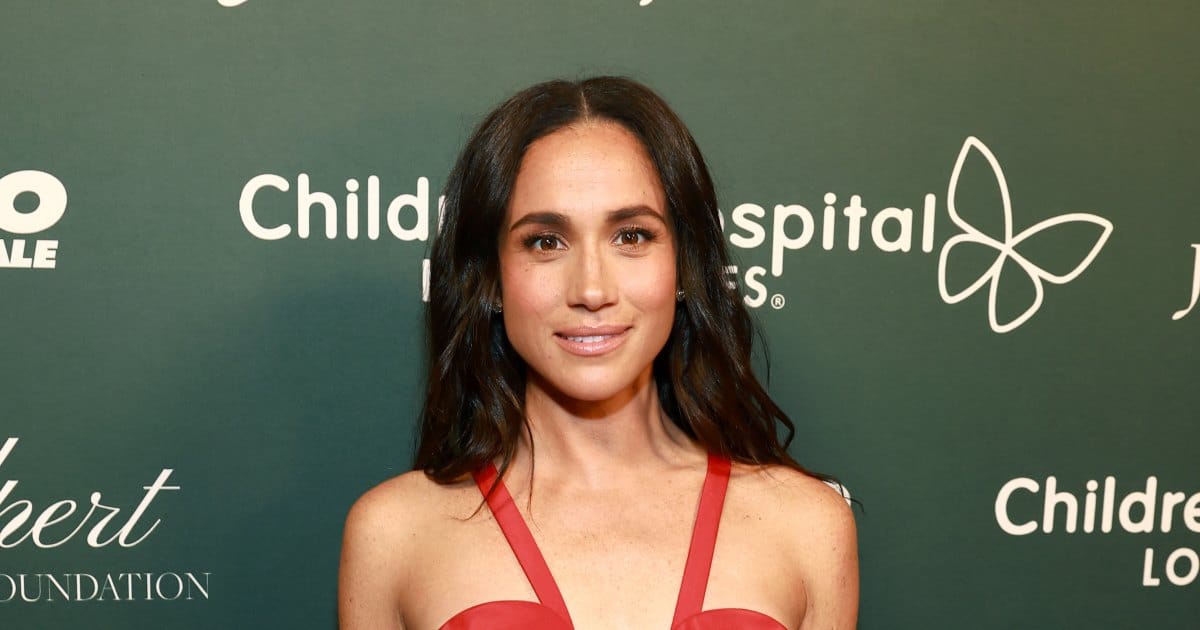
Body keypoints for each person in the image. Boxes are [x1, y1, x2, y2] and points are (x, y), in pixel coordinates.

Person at [339, 76, 858, 630]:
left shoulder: (807, 528)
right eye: (546, 241)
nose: (591, 289)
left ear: (684, 266)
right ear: (490, 278)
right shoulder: (394, 534)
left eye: (631, 236)